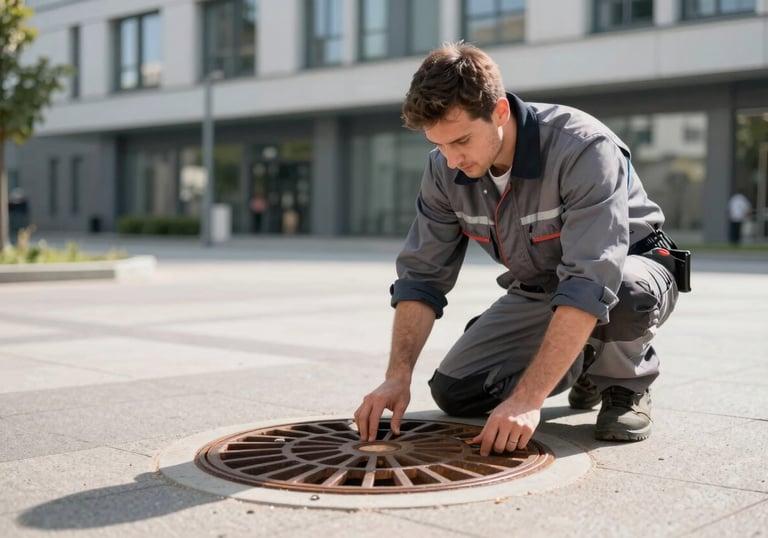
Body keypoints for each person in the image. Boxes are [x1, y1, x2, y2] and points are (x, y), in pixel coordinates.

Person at [354, 42, 681, 457]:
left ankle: (625, 384)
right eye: (440, 145)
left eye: (462, 141)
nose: (452, 160)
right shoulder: (444, 168)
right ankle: (582, 359)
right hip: (540, 287)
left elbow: (591, 278)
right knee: (457, 392)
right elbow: (422, 276)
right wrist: (396, 377)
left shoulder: (582, 148)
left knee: (626, 293)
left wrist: (528, 399)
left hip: (625, 271)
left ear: (500, 113)